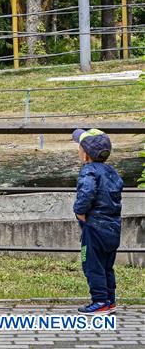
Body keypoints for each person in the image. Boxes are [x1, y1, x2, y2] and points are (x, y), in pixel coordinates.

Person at [72, 128, 123, 314]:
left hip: (94, 227)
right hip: (113, 227)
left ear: (86, 155)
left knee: (92, 265)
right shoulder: (112, 171)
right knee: (107, 265)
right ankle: (110, 300)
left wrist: (79, 211)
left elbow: (86, 193)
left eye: (79, 147)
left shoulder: (88, 171)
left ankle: (100, 300)